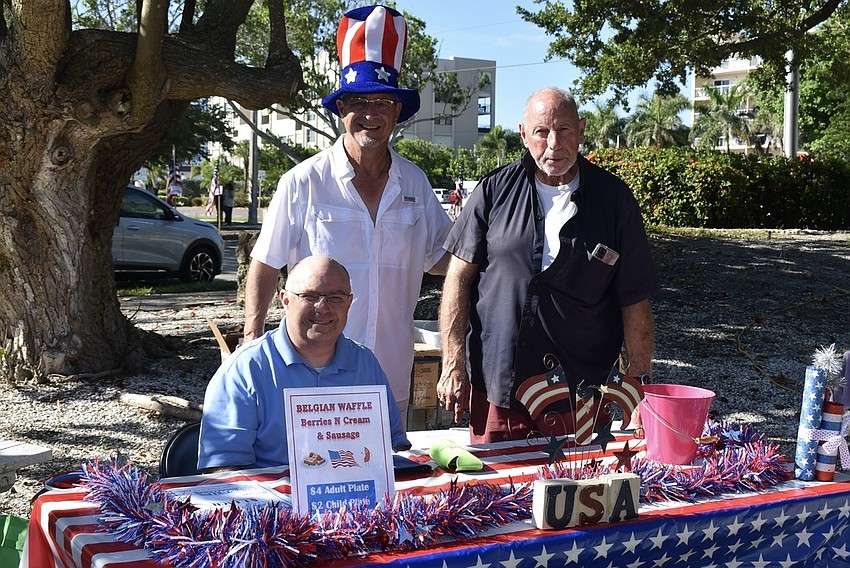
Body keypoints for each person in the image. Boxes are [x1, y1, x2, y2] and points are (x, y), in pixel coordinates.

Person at [244, 5, 452, 423]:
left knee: (384, 483)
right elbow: (265, 264)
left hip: (389, 379)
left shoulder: (414, 183)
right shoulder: (302, 182)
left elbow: (445, 258)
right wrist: (251, 345)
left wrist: (502, 252)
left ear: (397, 113)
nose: (370, 114)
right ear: (341, 110)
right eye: (358, 101)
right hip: (310, 382)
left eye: (382, 102)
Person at [436, 87, 659, 443]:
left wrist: (637, 388)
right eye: (542, 131)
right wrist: (453, 363)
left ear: (582, 130)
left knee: (578, 494)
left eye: (564, 130)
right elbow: (458, 279)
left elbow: (634, 299)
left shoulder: (615, 200)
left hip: (581, 393)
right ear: (524, 135)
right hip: (499, 386)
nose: (554, 142)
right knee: (498, 492)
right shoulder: (494, 191)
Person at [198, 255, 410, 472]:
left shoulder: (366, 364)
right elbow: (223, 469)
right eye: (310, 296)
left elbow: (393, 446)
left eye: (335, 297)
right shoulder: (244, 370)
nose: (323, 307)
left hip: (358, 498)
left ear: (349, 303)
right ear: (285, 301)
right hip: (273, 501)